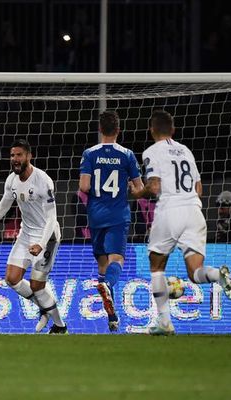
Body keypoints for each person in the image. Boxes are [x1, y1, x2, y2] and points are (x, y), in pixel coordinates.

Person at [130, 110, 231, 335]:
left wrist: (139, 193)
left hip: (170, 210)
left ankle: (165, 322)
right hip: (194, 211)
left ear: (151, 130)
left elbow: (155, 186)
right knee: (195, 272)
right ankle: (218, 275)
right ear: (173, 130)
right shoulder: (186, 151)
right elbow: (199, 189)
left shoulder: (152, 151)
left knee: (156, 266)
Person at [0, 139, 67, 334]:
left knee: (37, 287)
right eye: (12, 155)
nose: (15, 159)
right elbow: (1, 209)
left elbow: (52, 218)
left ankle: (60, 327)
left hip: (48, 237)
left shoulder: (43, 180)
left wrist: (41, 244)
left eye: (19, 155)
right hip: (26, 234)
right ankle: (45, 308)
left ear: (29, 156)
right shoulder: (11, 180)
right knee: (12, 279)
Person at [79, 111, 144, 332]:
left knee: (102, 265)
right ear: (118, 130)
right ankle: (107, 285)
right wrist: (128, 192)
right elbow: (139, 189)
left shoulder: (89, 153)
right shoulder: (127, 155)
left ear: (100, 129)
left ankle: (113, 318)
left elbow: (84, 187)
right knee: (117, 260)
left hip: (96, 216)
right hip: (118, 215)